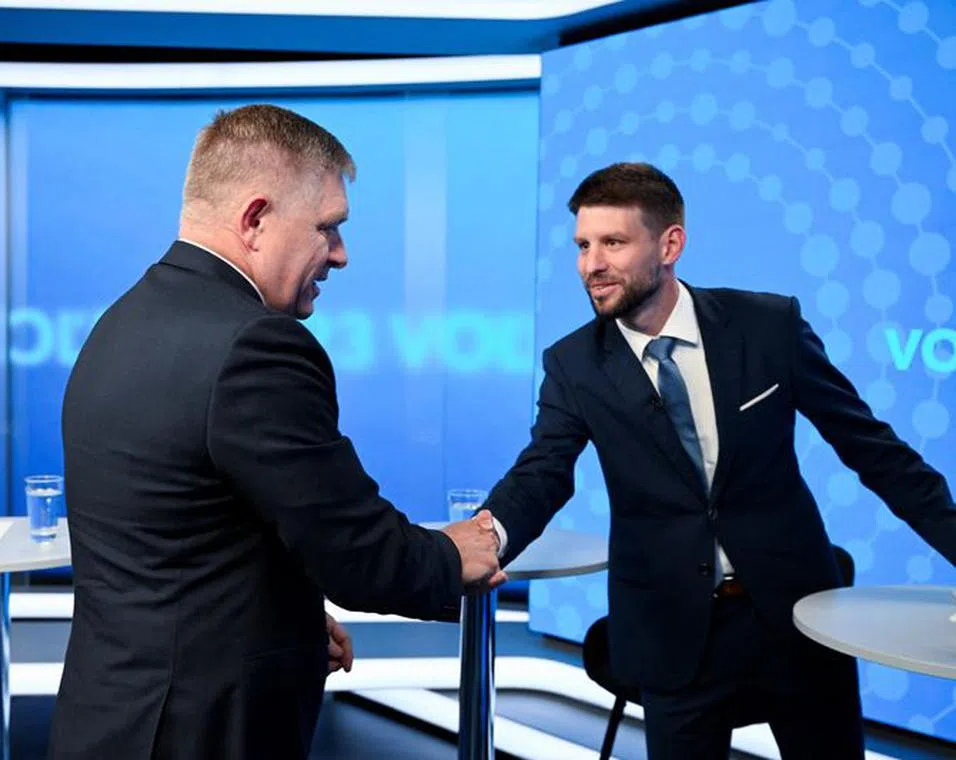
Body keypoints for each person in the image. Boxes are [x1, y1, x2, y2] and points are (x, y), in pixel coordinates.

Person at [47, 104, 505, 760]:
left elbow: (175, 538)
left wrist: (284, 615)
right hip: (200, 733)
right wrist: (452, 553)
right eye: (329, 228)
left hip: (113, 719)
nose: (341, 255)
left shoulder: (124, 319)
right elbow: (358, 553)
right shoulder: (256, 345)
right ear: (256, 219)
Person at [484, 162, 956, 759]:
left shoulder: (767, 327)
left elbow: (872, 448)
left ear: (670, 243)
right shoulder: (574, 365)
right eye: (582, 245)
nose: (590, 265)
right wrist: (485, 536)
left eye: (612, 243)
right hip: (672, 631)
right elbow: (542, 471)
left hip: (796, 617)